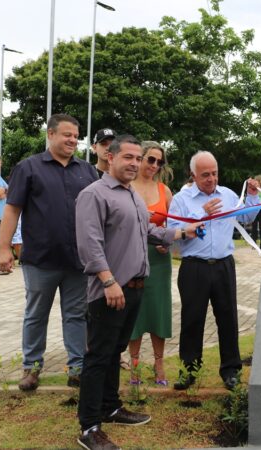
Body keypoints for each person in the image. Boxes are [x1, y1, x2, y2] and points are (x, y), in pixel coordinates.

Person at [75, 134, 201, 450]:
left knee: (114, 352)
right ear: (111, 158)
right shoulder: (94, 194)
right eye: (128, 157)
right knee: (98, 357)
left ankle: (111, 407)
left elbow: (148, 231)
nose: (134, 163)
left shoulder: (131, 195)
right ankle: (89, 427)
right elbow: (89, 245)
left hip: (134, 288)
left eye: (137, 157)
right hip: (109, 291)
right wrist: (107, 281)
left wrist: (180, 232)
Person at [0, 113, 99, 390]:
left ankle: (77, 366)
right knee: (36, 313)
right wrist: (4, 248)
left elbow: (96, 213)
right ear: (50, 134)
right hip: (40, 260)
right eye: (67, 134)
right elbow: (12, 209)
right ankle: (31, 367)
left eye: (76, 136)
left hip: (78, 260)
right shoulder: (28, 168)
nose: (72, 140)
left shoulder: (87, 171)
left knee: (77, 314)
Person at [167, 151, 261, 390]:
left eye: (214, 173)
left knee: (228, 318)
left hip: (223, 265)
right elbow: (173, 234)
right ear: (193, 175)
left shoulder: (228, 195)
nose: (211, 179)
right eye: (205, 175)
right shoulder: (182, 199)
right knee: (192, 320)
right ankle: (189, 371)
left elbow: (248, 217)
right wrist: (202, 214)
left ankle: (230, 370)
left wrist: (252, 196)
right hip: (193, 267)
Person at [127, 141, 174, 386]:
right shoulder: (126, 187)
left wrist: (167, 242)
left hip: (158, 259)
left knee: (158, 311)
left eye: (159, 161)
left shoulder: (164, 191)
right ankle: (134, 364)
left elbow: (172, 227)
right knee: (134, 311)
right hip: (131, 257)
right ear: (139, 159)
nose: (154, 165)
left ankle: (159, 363)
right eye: (150, 159)